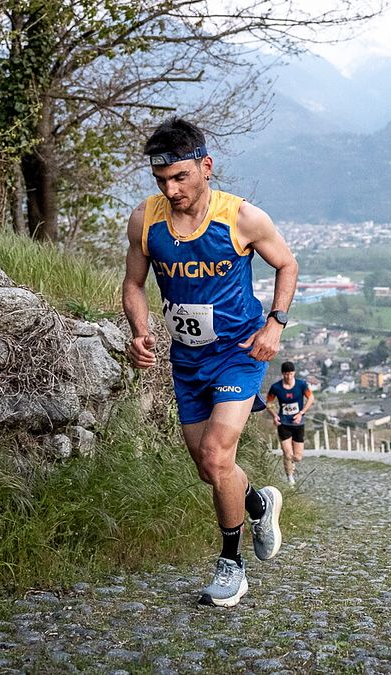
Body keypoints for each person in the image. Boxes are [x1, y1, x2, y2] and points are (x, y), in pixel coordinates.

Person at [121, 117, 297, 608]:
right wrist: (139, 331)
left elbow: (287, 264)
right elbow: (133, 284)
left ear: (206, 166)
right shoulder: (145, 221)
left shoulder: (242, 218)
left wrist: (275, 324)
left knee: (218, 455)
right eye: (161, 181)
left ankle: (231, 566)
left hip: (239, 352)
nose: (171, 190)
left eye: (180, 177)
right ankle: (259, 502)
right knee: (209, 468)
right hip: (187, 358)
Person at [267, 361, 315, 485]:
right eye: (286, 374)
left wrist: (301, 413)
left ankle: (292, 464)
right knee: (288, 454)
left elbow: (311, 398)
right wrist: (274, 415)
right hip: (283, 423)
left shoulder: (301, 385)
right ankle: (290, 478)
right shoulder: (276, 387)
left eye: (291, 374)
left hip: (298, 423)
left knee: (297, 457)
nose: (288, 377)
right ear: (283, 374)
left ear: (294, 373)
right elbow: (269, 403)